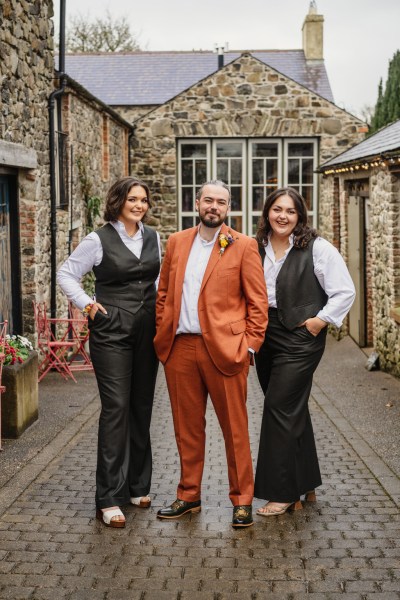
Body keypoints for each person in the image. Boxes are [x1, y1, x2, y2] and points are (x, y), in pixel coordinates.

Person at [154, 180, 268, 528]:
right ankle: (189, 495)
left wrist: (248, 347)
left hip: (226, 351)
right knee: (186, 428)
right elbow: (163, 294)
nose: (213, 207)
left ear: (227, 208)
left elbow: (258, 304)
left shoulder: (244, 245)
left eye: (221, 202)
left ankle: (242, 500)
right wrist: (163, 331)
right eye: (208, 200)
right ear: (197, 202)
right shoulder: (176, 242)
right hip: (180, 349)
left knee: (235, 429)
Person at [57, 176, 161, 528]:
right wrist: (87, 304)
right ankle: (109, 498)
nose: (139, 205)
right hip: (112, 331)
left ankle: (137, 485)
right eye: (133, 199)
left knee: (141, 406)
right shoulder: (97, 239)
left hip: (147, 329)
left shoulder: (153, 237)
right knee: (116, 408)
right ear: (118, 201)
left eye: (144, 200)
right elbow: (66, 274)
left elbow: (156, 282)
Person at [254, 186, 355, 516]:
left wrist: (319, 322)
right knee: (291, 409)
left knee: (278, 408)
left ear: (300, 216)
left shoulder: (318, 248)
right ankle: (306, 481)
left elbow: (344, 291)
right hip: (265, 336)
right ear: (267, 212)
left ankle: (283, 493)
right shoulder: (255, 247)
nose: (282, 216)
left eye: (290, 211)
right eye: (277, 209)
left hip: (300, 337)